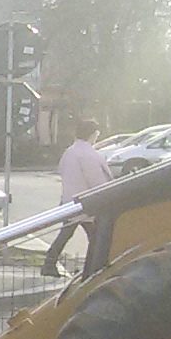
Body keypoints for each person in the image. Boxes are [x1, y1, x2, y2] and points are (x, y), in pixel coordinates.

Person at [48, 118, 116, 276]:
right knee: (97, 237)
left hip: (69, 202)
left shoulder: (70, 151)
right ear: (92, 134)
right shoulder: (88, 154)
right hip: (87, 204)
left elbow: (61, 171)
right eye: (97, 134)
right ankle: (94, 267)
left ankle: (50, 262)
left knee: (68, 233)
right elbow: (96, 181)